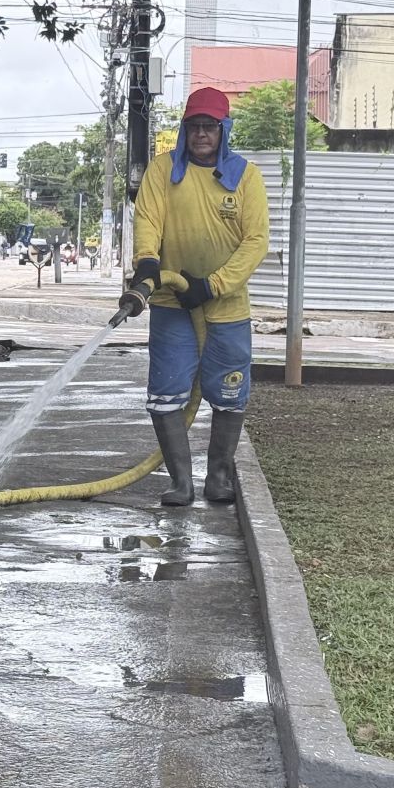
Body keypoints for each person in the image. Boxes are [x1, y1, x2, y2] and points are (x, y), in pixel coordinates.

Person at [116, 86, 269, 506]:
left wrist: (213, 285)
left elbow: (255, 241)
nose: (202, 134)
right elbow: (148, 220)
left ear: (224, 130)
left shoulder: (245, 176)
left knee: (230, 392)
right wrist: (147, 263)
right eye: (195, 126)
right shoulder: (163, 171)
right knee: (166, 393)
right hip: (171, 304)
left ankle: (218, 478)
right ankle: (180, 482)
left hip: (226, 307)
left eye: (210, 127)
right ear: (185, 130)